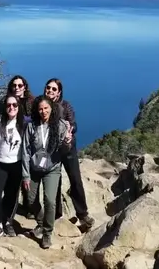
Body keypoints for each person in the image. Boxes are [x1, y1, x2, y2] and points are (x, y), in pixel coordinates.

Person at [22, 95, 73, 249]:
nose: (43, 111)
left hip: (52, 168)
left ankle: (47, 233)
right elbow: (25, 151)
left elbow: (64, 151)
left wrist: (67, 142)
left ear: (52, 108)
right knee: (30, 200)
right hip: (34, 168)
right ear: (36, 110)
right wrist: (25, 175)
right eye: (40, 109)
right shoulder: (31, 126)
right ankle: (41, 222)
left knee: (50, 200)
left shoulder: (60, 125)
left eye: (46, 108)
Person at [44, 78, 95, 230]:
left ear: (59, 92)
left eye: (54, 89)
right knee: (55, 181)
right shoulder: (42, 105)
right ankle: (56, 215)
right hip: (51, 150)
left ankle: (82, 214)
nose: (50, 91)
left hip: (67, 148)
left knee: (75, 180)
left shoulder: (65, 106)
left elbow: (73, 123)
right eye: (48, 88)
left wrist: (70, 129)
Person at [0, 94, 25, 239]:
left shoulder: (24, 123)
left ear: (19, 107)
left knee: (11, 197)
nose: (11, 107)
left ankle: (8, 222)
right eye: (9, 105)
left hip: (16, 165)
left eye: (15, 105)